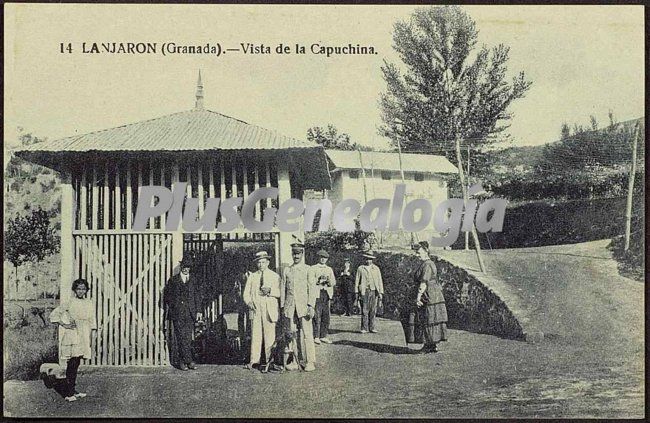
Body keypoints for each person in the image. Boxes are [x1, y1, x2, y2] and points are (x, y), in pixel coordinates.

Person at [49, 278, 97, 402]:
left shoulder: (89, 303)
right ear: (74, 290)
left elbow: (92, 320)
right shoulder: (70, 302)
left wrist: (92, 334)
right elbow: (55, 314)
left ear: (86, 290)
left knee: (77, 362)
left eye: (83, 289)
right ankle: (69, 393)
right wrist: (64, 325)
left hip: (84, 333)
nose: (81, 291)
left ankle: (73, 390)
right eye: (78, 289)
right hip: (73, 333)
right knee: (73, 362)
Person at [280, 241, 317, 371]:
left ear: (302, 254)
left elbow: (312, 289)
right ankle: (295, 360)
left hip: (304, 307)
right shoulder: (287, 270)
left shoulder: (308, 269)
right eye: (294, 254)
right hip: (290, 307)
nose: (296, 256)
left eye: (298, 254)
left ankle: (310, 361)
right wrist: (283, 307)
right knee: (292, 334)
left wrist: (311, 306)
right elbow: (283, 289)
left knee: (307, 333)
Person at [243, 250, 281, 370]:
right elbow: (246, 293)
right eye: (259, 263)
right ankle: (254, 360)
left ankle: (270, 361)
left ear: (268, 262)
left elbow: (280, 293)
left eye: (263, 262)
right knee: (256, 335)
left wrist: (270, 291)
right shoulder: (252, 277)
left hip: (269, 308)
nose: (261, 265)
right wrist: (249, 302)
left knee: (270, 336)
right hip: (256, 309)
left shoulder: (275, 276)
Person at [163, 256, 202, 371]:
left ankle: (187, 360)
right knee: (180, 337)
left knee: (188, 338)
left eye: (188, 267)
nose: (186, 269)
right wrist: (174, 306)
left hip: (190, 312)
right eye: (185, 267)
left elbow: (197, 296)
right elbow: (167, 296)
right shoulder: (173, 280)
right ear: (181, 267)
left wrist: (198, 310)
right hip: (178, 313)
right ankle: (184, 361)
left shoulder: (194, 280)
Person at [413, 241, 448, 353]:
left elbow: (423, 283)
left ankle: (428, 346)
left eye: (418, 252)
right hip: (434, 293)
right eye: (416, 253)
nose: (417, 255)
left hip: (429, 294)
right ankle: (432, 345)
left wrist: (418, 297)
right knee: (431, 319)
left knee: (428, 318)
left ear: (426, 251)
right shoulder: (428, 263)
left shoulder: (427, 264)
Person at [355, 251, 384, 334]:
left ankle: (372, 327)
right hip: (364, 291)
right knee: (364, 309)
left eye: (370, 259)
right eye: (367, 259)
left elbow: (379, 281)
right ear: (364, 259)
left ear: (372, 260)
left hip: (374, 291)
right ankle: (364, 328)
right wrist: (357, 292)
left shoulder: (376, 268)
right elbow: (357, 281)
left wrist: (381, 292)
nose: (368, 261)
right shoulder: (360, 268)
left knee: (373, 309)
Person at [311, 249, 336, 344]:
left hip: (326, 293)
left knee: (326, 315)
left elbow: (333, 282)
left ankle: (323, 335)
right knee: (317, 315)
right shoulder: (313, 268)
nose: (323, 260)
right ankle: (316, 335)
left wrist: (329, 281)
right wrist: (318, 281)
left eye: (325, 258)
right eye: (321, 257)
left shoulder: (329, 269)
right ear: (318, 258)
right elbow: (310, 281)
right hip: (317, 293)